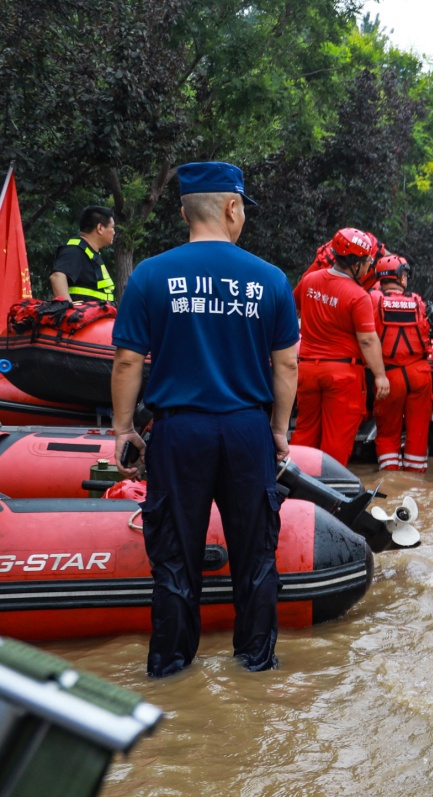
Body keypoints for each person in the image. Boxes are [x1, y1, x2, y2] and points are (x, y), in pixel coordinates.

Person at [109, 161, 299, 678]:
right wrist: (279, 431)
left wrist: (125, 431)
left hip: (179, 433)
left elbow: (128, 360)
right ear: (232, 207)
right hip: (245, 429)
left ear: (184, 211)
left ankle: (170, 671)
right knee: (256, 558)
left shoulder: (150, 275)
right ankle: (255, 667)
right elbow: (286, 363)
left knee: (175, 558)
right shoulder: (270, 280)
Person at [291, 228, 391, 466]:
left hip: (308, 370)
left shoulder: (310, 281)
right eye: (367, 262)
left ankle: (295, 490)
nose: (369, 267)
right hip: (342, 375)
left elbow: (292, 307)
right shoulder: (358, 296)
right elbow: (367, 340)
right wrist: (380, 376)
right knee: (337, 441)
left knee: (304, 434)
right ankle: (329, 496)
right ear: (355, 263)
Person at [370, 254, 432, 473]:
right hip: (419, 373)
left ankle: (391, 480)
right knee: (418, 431)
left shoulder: (372, 300)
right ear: (399, 276)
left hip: (389, 374)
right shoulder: (417, 301)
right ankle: (415, 484)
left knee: (387, 433)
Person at [50, 205, 117, 302]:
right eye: (112, 227)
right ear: (100, 228)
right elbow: (57, 277)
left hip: (98, 315)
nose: (114, 232)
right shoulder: (74, 250)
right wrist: (70, 313)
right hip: (83, 316)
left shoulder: (90, 253)